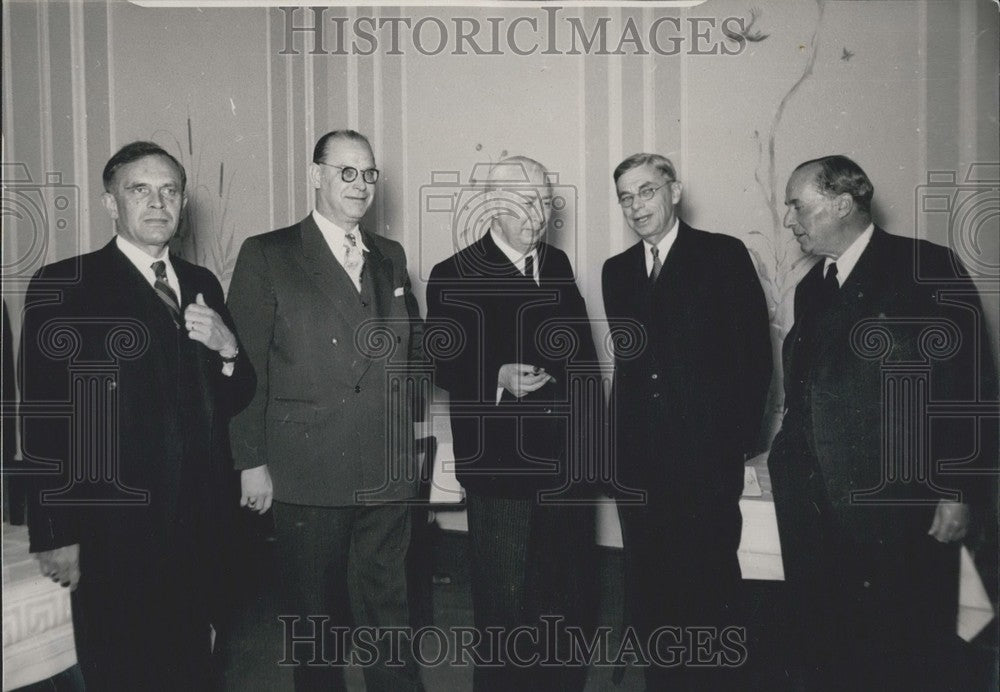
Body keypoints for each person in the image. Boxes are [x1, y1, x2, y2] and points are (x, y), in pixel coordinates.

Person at [19, 140, 254, 689]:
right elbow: (43, 418)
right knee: (123, 673)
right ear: (110, 203)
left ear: (183, 203)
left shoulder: (202, 285)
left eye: (170, 191)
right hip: (112, 533)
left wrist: (226, 350)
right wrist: (55, 531)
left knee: (194, 670)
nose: (157, 203)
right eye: (139, 190)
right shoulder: (64, 286)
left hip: (198, 527)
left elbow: (235, 396)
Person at [770, 155, 998, 691]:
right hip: (814, 509)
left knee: (907, 653)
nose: (789, 220)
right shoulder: (812, 287)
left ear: (843, 203)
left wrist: (958, 489)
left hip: (897, 511)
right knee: (830, 651)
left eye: (797, 206)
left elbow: (970, 384)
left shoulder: (926, 267)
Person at [227, 130, 425, 692]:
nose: (360, 185)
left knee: (391, 618)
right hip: (306, 471)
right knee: (315, 627)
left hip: (385, 468)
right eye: (346, 172)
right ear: (316, 176)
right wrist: (251, 461)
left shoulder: (391, 255)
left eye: (368, 175)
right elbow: (248, 370)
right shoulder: (268, 254)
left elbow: (408, 354)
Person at [425, 156, 599, 691]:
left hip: (565, 470)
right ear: (494, 207)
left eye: (546, 201)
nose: (540, 213)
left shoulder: (558, 262)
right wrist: (496, 374)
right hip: (501, 472)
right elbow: (441, 361)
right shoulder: (452, 273)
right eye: (527, 202)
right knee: (504, 617)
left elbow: (583, 361)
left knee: (566, 611)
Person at [602, 153, 772, 689]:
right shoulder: (617, 271)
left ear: (674, 191)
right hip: (638, 468)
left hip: (705, 464)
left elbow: (755, 360)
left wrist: (733, 446)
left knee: (710, 590)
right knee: (651, 593)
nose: (636, 206)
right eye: (626, 197)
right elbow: (631, 373)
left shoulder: (722, 255)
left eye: (646, 191)